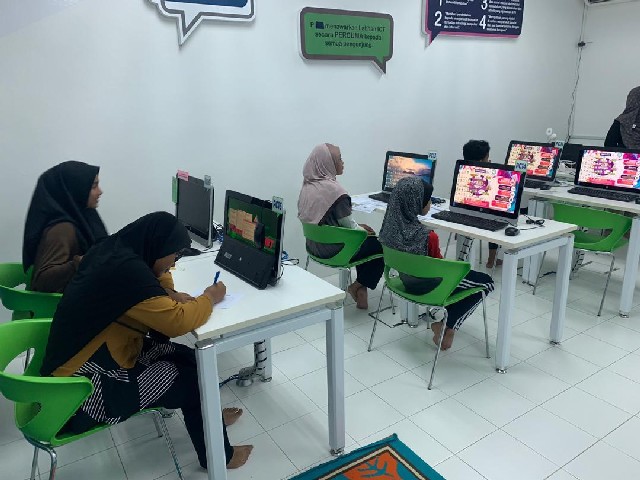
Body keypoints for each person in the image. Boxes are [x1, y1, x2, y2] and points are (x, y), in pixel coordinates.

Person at [39, 212, 253, 470]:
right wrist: (210, 297)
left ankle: (209, 417)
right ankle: (219, 457)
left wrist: (168, 288)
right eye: (174, 255)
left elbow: (157, 278)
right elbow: (178, 322)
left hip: (97, 357)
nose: (174, 262)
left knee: (191, 358)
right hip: (77, 394)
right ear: (156, 247)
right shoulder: (128, 276)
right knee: (190, 381)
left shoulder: (115, 252)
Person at [379, 177, 494, 350]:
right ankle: (447, 326)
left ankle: (445, 325)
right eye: (428, 200)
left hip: (404, 282)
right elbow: (440, 270)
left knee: (462, 277)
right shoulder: (428, 237)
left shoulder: (388, 229)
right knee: (486, 283)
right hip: (431, 288)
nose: (430, 203)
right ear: (415, 203)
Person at [298, 143, 384, 309]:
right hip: (336, 250)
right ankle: (357, 286)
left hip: (314, 246)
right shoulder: (335, 192)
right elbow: (350, 227)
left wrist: (359, 228)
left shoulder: (307, 187)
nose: (342, 162)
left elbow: (329, 222)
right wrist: (362, 230)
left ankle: (361, 290)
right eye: (339, 159)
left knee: (366, 240)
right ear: (327, 163)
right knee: (379, 245)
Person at [23, 161, 108, 293]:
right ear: (75, 190)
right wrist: (82, 262)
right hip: (63, 304)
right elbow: (41, 282)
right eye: (93, 186)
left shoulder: (86, 218)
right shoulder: (62, 229)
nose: (100, 191)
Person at [463, 140, 501, 269]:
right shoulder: (488, 173)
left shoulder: (463, 170)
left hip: (464, 209)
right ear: (482, 160)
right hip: (483, 212)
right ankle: (492, 259)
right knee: (497, 216)